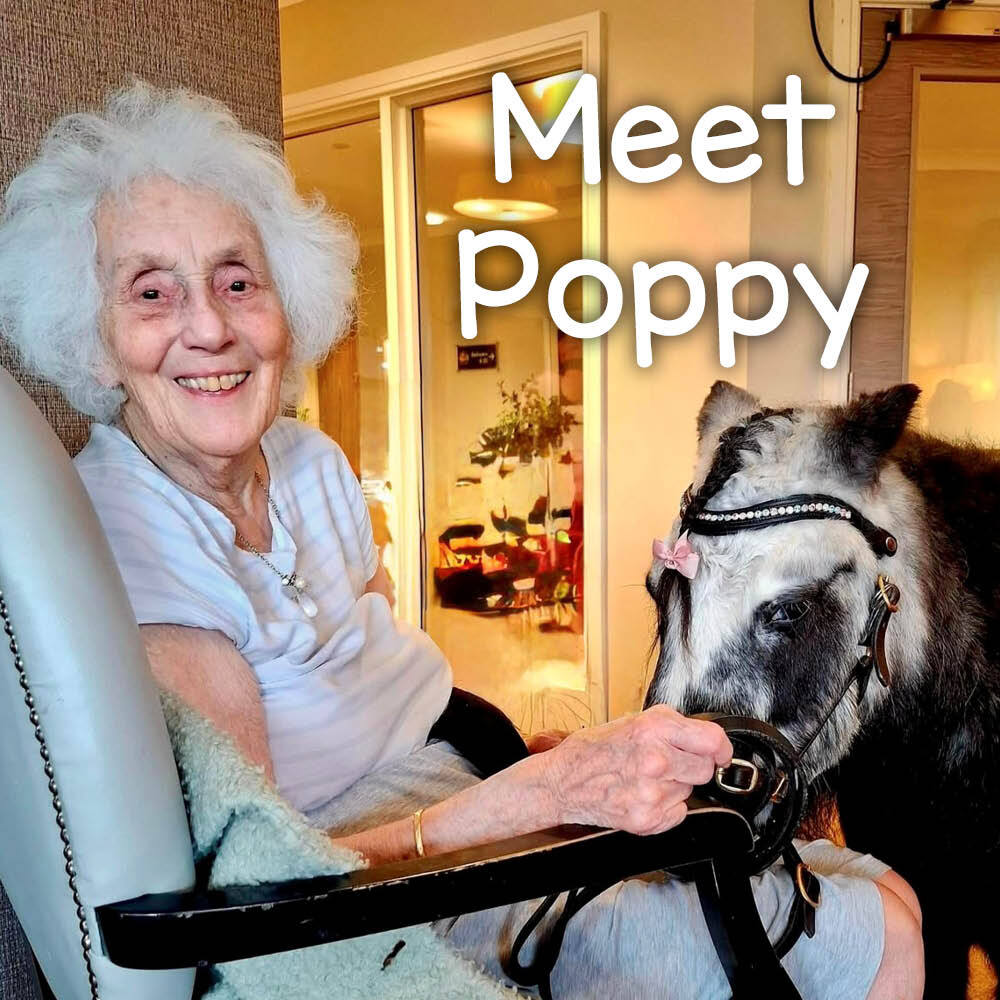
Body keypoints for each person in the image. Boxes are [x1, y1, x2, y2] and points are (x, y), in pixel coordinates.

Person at [0, 81, 923, 999]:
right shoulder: (126, 535)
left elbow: (394, 677)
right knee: (879, 933)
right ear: (94, 341)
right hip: (389, 895)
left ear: (287, 306)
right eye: (152, 292)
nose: (209, 326)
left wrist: (556, 768)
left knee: (881, 885)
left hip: (476, 795)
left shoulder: (310, 463)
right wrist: (532, 800)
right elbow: (258, 886)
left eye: (238, 282)